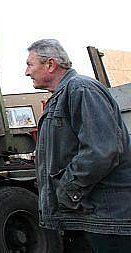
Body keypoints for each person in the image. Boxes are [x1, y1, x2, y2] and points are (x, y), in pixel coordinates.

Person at [26, 39, 131, 252]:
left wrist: (67, 189)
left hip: (109, 215)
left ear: (50, 64)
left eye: (30, 64)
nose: (27, 72)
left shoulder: (82, 89)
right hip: (95, 213)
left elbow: (102, 151)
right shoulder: (62, 96)